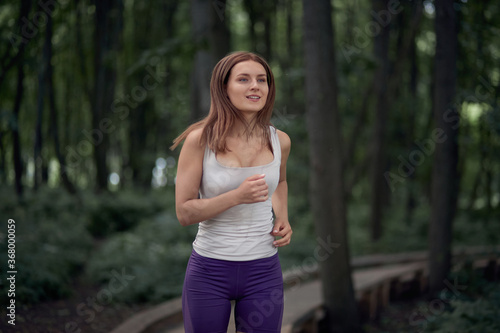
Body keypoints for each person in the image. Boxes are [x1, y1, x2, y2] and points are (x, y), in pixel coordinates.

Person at [170, 51, 292, 333]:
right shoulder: (200, 140)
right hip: (209, 272)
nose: (255, 86)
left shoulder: (280, 141)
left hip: (264, 272)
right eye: (244, 79)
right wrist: (237, 196)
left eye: (262, 80)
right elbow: (184, 212)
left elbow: (281, 182)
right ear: (224, 88)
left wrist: (282, 217)